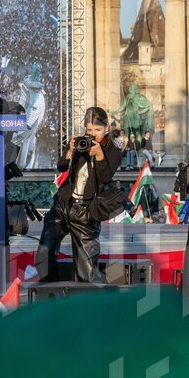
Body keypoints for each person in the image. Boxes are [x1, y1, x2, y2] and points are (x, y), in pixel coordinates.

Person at [34, 107, 123, 283]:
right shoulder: (79, 142)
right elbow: (61, 167)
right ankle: (50, 291)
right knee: (44, 254)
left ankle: (90, 297)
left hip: (86, 211)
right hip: (63, 204)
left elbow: (105, 177)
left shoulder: (113, 150)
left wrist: (99, 155)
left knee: (86, 271)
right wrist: (69, 152)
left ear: (106, 128)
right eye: (89, 130)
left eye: (97, 130)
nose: (93, 134)